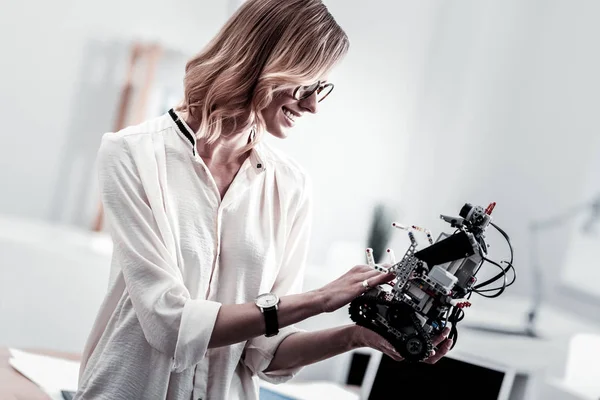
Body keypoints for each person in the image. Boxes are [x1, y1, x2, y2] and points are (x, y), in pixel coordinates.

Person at [74, 0, 453, 399]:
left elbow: (266, 354)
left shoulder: (291, 186)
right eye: (306, 85)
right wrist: (320, 299)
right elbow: (168, 323)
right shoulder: (131, 154)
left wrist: (357, 335)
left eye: (321, 88)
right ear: (263, 63)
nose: (312, 105)